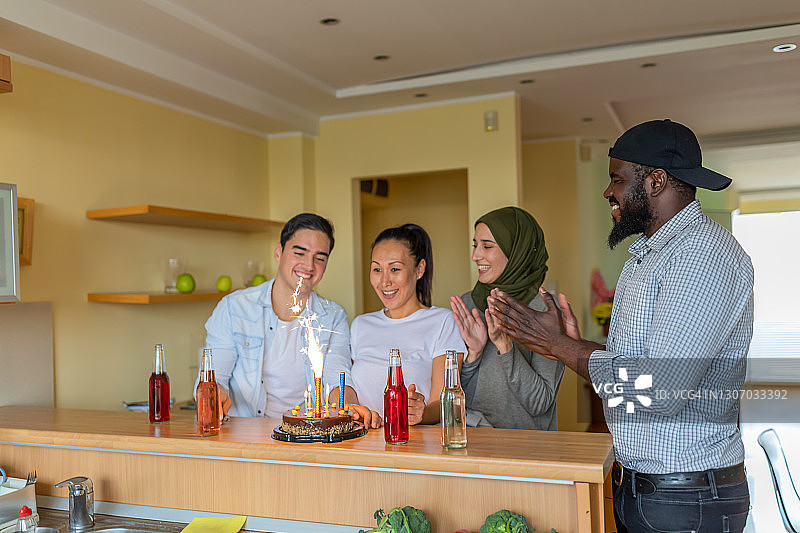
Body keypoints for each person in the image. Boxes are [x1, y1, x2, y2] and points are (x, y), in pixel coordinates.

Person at [488, 119, 753, 532]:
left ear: (657, 181)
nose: (608, 191)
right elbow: (636, 367)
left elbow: (663, 390)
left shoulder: (702, 257)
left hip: (685, 499)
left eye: (616, 178)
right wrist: (574, 344)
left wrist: (561, 347)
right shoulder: (647, 256)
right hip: (641, 486)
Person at [200, 213, 380, 428]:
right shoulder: (233, 308)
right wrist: (214, 395)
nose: (309, 265)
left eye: (320, 258)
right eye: (299, 253)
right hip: (245, 433)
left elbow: (337, 376)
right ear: (279, 252)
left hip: (310, 435)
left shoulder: (333, 315)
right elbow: (215, 376)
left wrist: (349, 407)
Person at [449, 207, 564, 430]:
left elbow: (540, 402)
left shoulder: (546, 311)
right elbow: (458, 399)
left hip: (525, 451)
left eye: (487, 246)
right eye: (475, 245)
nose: (475, 256)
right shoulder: (469, 306)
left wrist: (505, 345)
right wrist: (473, 356)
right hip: (474, 446)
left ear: (517, 251)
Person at [350, 224, 465, 424]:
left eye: (395, 269)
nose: (384, 281)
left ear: (419, 269)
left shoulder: (443, 322)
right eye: (377, 269)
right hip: (364, 445)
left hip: (414, 446)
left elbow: (447, 402)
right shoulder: (360, 325)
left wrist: (421, 413)